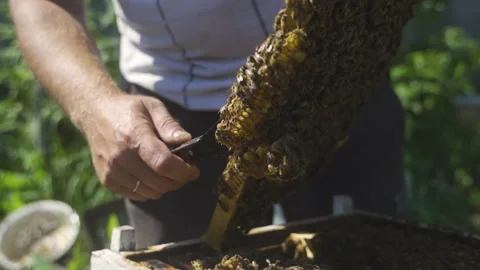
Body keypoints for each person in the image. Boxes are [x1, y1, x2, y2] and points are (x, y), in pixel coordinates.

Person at [9, 0, 408, 249]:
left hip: (344, 82)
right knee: (189, 255)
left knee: (370, 250)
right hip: (175, 119)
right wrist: (96, 106)